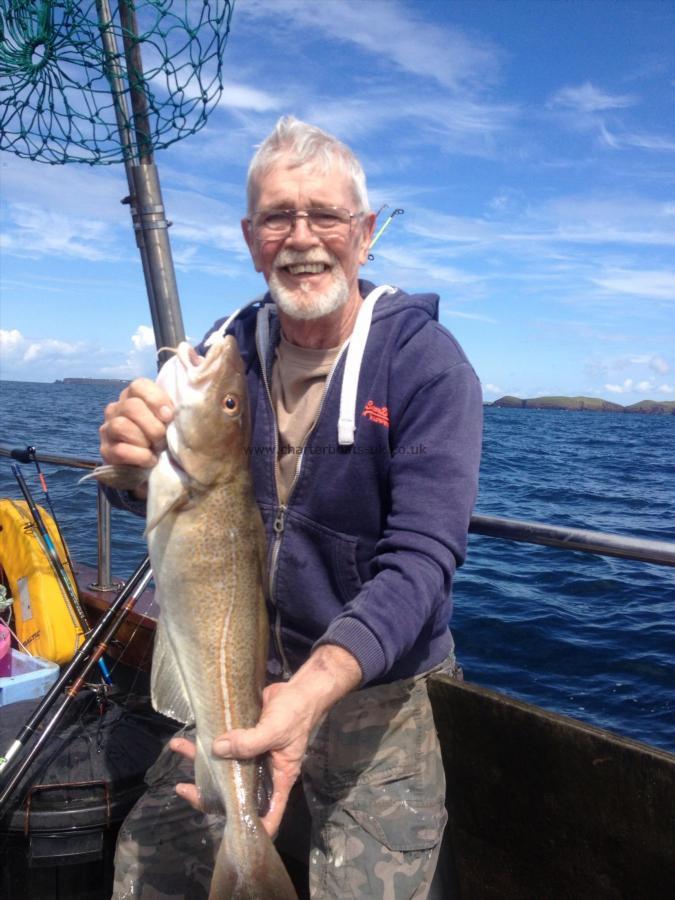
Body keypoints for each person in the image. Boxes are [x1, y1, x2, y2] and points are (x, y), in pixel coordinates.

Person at [100, 116, 483, 899]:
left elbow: (422, 560)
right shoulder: (227, 347)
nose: (302, 237)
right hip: (235, 672)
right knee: (147, 865)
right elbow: (179, 496)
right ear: (250, 237)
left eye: (326, 215)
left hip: (374, 691)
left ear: (365, 233)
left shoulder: (425, 366)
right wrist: (127, 465)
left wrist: (308, 696)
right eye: (278, 216)